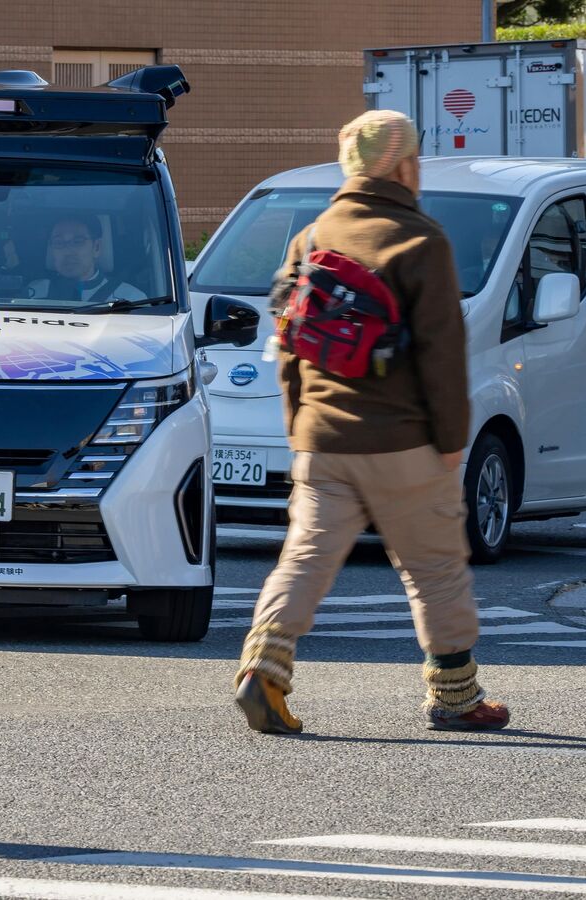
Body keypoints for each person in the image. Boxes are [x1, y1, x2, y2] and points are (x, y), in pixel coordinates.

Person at [233, 109, 511, 735]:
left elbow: (289, 340)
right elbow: (442, 353)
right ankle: (456, 695)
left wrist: (298, 423)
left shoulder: (312, 237)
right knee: (434, 567)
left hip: (322, 441)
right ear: (405, 164)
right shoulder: (422, 240)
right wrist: (450, 441)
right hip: (403, 442)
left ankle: (264, 671)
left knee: (304, 560)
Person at [27, 214, 144, 302]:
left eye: (78, 241)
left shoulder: (131, 299)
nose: (68, 251)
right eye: (59, 242)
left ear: (96, 247)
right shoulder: (31, 294)